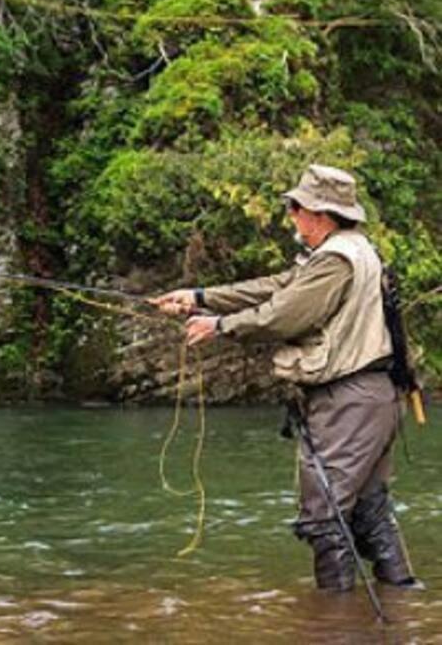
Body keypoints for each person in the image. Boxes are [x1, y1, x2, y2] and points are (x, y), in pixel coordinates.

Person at [149, 164, 419, 591]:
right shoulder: (351, 249)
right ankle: (404, 601)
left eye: (296, 207)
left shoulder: (335, 260)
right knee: (368, 509)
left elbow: (283, 316)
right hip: (372, 397)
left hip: (349, 400)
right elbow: (277, 286)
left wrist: (219, 325)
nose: (291, 214)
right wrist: (199, 298)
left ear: (322, 214)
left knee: (323, 515)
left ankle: (334, 621)